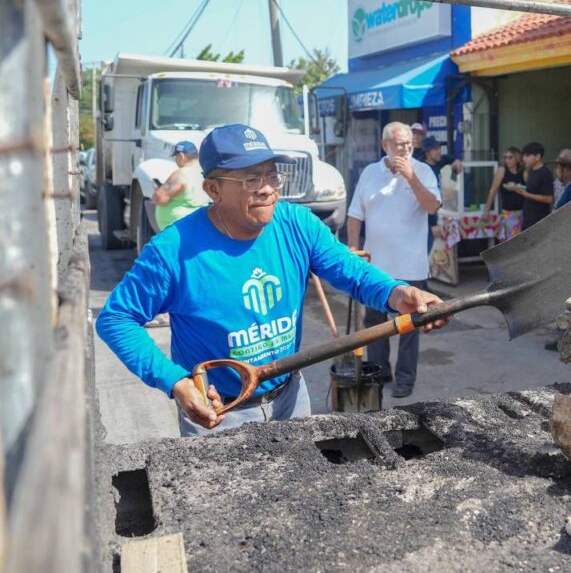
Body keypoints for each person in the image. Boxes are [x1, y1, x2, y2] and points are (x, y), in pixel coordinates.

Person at [95, 124, 449, 437]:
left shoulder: (296, 223)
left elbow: (350, 270)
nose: (267, 189)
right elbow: (116, 319)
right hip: (220, 415)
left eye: (271, 176)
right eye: (251, 179)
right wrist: (175, 381)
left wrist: (396, 292)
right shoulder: (172, 251)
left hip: (291, 398)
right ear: (213, 190)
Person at [347, 122, 442, 398]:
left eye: (410, 144)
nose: (406, 149)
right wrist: (354, 251)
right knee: (375, 326)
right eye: (400, 144)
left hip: (411, 265)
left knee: (410, 326)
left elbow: (433, 207)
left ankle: (405, 379)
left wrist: (411, 177)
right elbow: (355, 214)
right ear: (385, 145)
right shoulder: (369, 173)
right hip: (375, 266)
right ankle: (379, 370)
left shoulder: (423, 171)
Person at [153, 141, 209, 231]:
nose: (175, 160)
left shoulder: (181, 174)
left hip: (178, 230)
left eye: (175, 157)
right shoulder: (205, 173)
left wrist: (157, 189)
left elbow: (160, 198)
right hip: (197, 225)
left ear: (181, 156)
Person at [421, 136, 462, 252]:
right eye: (436, 149)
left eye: (440, 148)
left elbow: (451, 158)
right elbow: (423, 200)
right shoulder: (421, 168)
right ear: (427, 152)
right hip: (426, 220)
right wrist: (432, 224)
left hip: (438, 212)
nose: (439, 151)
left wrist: (456, 161)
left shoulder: (439, 162)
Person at [508, 141, 554, 231]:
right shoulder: (531, 171)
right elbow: (532, 189)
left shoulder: (545, 173)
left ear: (538, 156)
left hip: (539, 220)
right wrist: (517, 187)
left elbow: (549, 198)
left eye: (527, 156)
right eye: (524, 156)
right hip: (528, 217)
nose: (524, 159)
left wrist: (525, 194)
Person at [484, 146, 526, 240]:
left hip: (523, 211)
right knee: (509, 240)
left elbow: (529, 188)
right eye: (505, 157)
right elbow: (493, 190)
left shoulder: (523, 172)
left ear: (517, 158)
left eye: (510, 157)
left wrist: (517, 187)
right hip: (508, 211)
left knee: (522, 240)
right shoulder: (502, 170)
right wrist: (487, 211)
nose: (507, 160)